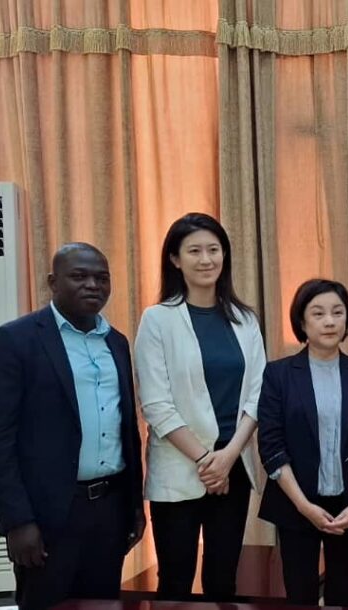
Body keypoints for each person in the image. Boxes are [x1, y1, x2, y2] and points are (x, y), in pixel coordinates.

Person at [0, 243, 145, 610]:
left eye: (101, 278)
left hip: (109, 511)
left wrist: (134, 507)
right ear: (53, 282)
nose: (92, 285)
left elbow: (126, 428)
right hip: (47, 515)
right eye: (79, 276)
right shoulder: (14, 340)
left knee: (102, 605)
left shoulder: (116, 342)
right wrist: (17, 521)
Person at [133, 213, 266, 600]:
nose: (206, 259)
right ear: (175, 259)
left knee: (223, 581)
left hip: (234, 467)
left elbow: (258, 393)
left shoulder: (245, 319)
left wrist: (228, 457)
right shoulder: (158, 320)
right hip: (179, 468)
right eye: (194, 251)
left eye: (214, 249)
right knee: (175, 581)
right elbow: (156, 404)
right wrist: (207, 461)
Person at [257, 279, 348, 606]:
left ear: (347, 320)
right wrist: (304, 507)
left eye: (337, 313)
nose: (329, 321)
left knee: (343, 595)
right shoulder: (278, 374)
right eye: (318, 313)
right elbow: (271, 446)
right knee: (301, 596)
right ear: (302, 322)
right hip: (296, 505)